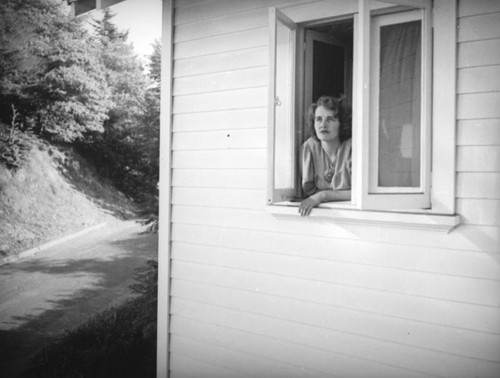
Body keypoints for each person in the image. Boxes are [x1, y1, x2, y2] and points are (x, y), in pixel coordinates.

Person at [299, 95, 352, 216]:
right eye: (318, 119)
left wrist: (323, 195)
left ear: (341, 123)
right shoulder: (309, 148)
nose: (323, 125)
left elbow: (360, 193)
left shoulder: (352, 148)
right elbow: (310, 191)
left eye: (330, 119)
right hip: (322, 216)